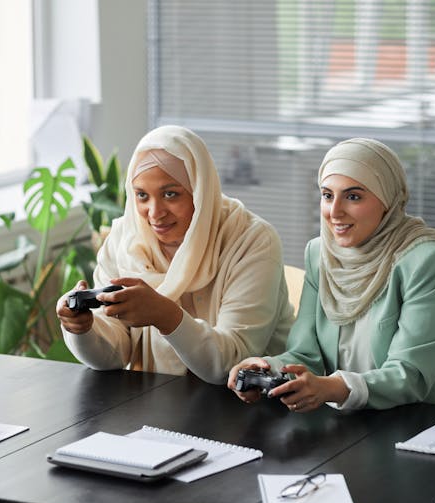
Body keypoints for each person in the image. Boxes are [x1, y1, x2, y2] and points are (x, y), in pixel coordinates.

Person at [227, 138, 435, 411]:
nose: (334, 212)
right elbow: (306, 353)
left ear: (388, 199)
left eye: (353, 196)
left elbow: (410, 374)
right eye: (327, 195)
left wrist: (331, 388)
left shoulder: (429, 262)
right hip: (367, 423)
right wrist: (266, 368)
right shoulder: (320, 254)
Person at [56, 125, 294, 384]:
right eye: (142, 195)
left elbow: (233, 364)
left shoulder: (252, 241)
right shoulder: (125, 240)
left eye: (170, 194)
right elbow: (115, 353)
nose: (155, 213)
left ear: (200, 191)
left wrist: (165, 316)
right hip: (158, 403)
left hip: (253, 406)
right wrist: (84, 330)